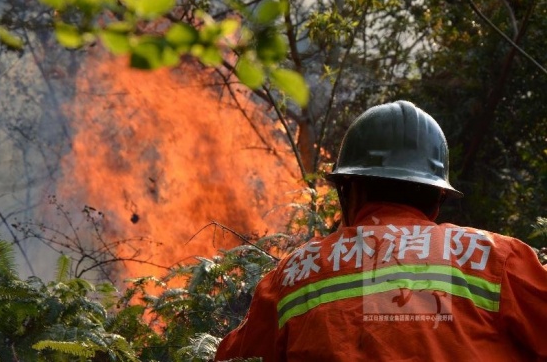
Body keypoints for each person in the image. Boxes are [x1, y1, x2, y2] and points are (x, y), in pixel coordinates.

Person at [214, 100, 547, 361]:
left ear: (349, 189)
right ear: (437, 196)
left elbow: (235, 358)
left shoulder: (293, 277)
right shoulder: (496, 258)